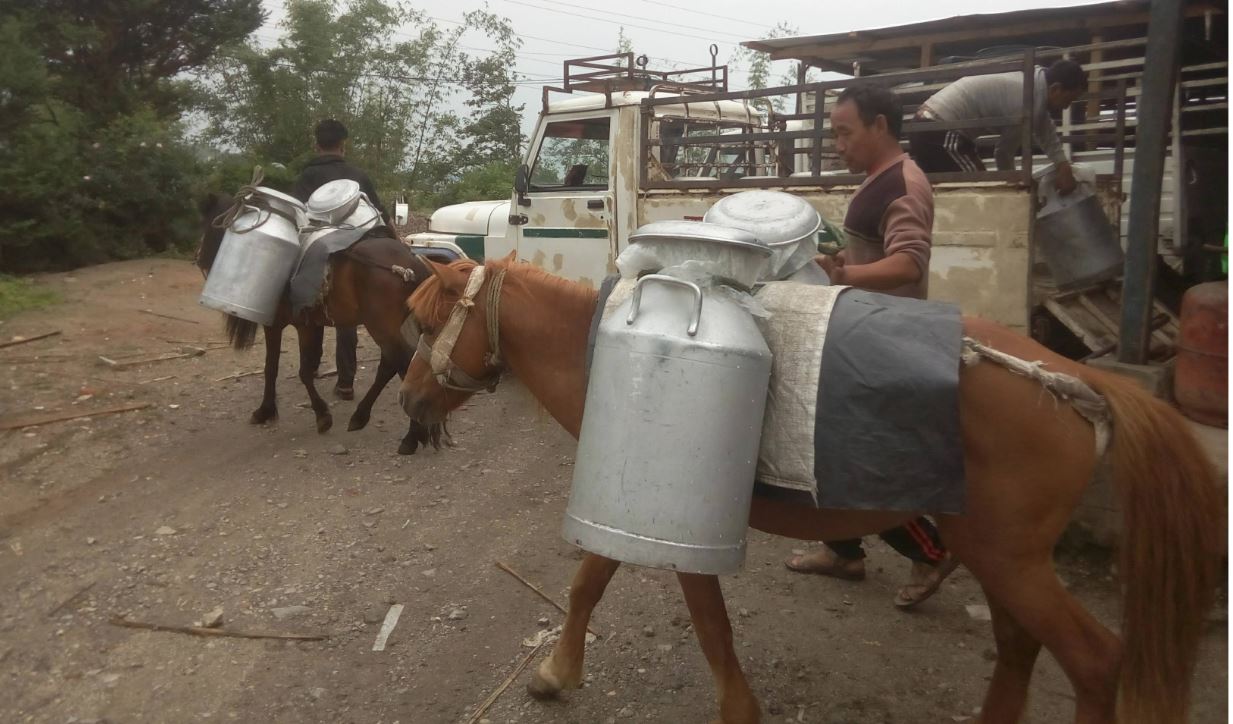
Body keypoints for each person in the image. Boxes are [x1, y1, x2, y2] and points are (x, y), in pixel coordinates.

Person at [783, 83, 958, 609]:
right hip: (864, 329)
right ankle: (843, 551)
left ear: (880, 125)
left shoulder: (904, 183)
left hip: (886, 338)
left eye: (845, 132)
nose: (838, 143)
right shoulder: (878, 180)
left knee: (865, 458)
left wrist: (845, 276)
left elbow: (909, 262)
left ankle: (931, 551)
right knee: (827, 445)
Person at [293, 118, 392, 401]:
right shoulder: (356, 174)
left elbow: (297, 214)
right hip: (354, 246)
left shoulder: (306, 176)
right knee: (347, 315)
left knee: (308, 308)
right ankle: (346, 382)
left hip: (317, 250)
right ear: (343, 146)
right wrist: (395, 240)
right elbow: (378, 210)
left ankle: (310, 368)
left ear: (317, 145)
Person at [907, 59, 1088, 194]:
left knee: (950, 193)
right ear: (1056, 89)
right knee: (980, 190)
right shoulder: (1025, 101)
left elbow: (1044, 128)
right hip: (940, 129)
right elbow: (1003, 153)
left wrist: (1063, 166)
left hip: (932, 126)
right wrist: (1018, 188)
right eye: (1068, 99)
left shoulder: (1034, 85)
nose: (1066, 106)